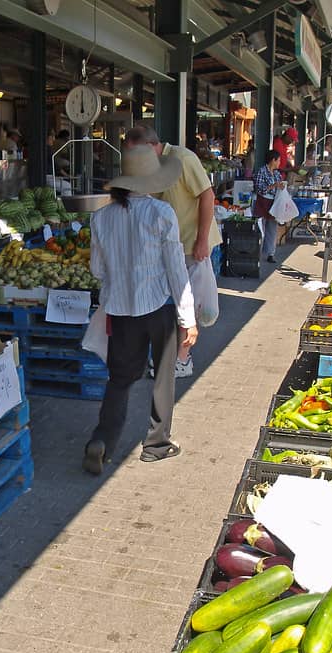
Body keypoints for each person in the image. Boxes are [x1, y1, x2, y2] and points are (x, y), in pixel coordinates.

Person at [82, 144, 196, 475]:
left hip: (120, 311)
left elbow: (97, 270)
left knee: (119, 379)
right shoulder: (162, 214)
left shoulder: (101, 217)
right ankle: (156, 445)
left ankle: (101, 441)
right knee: (162, 377)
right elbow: (177, 270)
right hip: (158, 309)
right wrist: (188, 319)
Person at [124, 122, 222, 379]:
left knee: (186, 307)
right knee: (171, 305)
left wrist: (202, 240)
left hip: (192, 247)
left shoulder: (182, 159)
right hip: (170, 247)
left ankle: (182, 360)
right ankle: (169, 356)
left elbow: (207, 196)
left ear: (150, 146)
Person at [253, 150, 284, 264]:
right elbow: (259, 188)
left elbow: (280, 185)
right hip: (262, 202)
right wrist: (273, 186)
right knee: (261, 228)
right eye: (278, 160)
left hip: (274, 202)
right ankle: (257, 252)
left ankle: (271, 253)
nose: (280, 162)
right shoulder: (262, 171)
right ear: (273, 160)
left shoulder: (276, 174)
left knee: (272, 229)